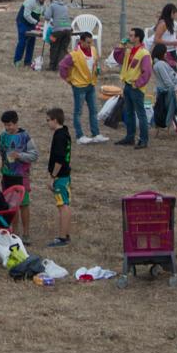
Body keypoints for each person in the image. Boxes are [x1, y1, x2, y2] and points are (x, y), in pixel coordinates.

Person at [59, 32, 107, 144]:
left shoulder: (93, 50)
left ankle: (96, 134)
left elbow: (94, 64)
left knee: (93, 110)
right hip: (79, 86)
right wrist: (68, 79)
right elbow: (62, 66)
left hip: (91, 84)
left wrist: (97, 70)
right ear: (81, 41)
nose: (90, 44)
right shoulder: (74, 54)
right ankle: (79, 136)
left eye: (91, 42)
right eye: (88, 42)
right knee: (78, 112)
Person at [115, 28, 152, 149]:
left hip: (136, 87)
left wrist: (138, 83)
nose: (129, 37)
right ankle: (130, 137)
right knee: (129, 112)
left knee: (140, 114)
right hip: (128, 85)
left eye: (131, 36)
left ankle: (143, 140)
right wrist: (120, 47)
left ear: (137, 38)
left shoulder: (144, 53)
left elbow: (146, 72)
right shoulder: (129, 51)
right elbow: (118, 58)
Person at [44, 108, 73, 248]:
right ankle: (66, 234)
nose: (47, 123)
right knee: (64, 204)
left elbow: (59, 159)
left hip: (60, 176)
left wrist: (53, 177)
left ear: (55, 120)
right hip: (65, 175)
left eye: (48, 120)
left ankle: (62, 237)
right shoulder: (65, 132)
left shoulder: (59, 136)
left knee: (62, 205)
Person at [13, 0, 48, 68]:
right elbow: (26, 15)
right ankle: (17, 61)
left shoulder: (43, 4)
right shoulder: (31, 0)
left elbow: (45, 14)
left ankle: (27, 62)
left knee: (31, 42)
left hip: (32, 24)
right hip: (22, 22)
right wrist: (36, 23)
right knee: (22, 41)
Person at [150, 42, 177, 130]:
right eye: (165, 52)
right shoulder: (160, 64)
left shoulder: (158, 64)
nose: (166, 54)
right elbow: (166, 80)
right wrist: (175, 88)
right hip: (167, 92)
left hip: (163, 90)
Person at [44, 0, 72, 68]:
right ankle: (62, 66)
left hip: (57, 32)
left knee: (54, 48)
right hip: (68, 30)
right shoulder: (65, 6)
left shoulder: (52, 5)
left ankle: (52, 66)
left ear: (52, 0)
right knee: (63, 48)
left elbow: (47, 17)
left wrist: (47, 9)